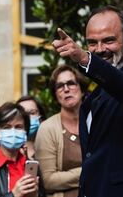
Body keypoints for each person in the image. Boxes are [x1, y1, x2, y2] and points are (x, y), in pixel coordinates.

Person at [51, 6, 123, 197]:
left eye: (109, 41)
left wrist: (86, 60)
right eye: (92, 43)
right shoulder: (95, 94)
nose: (100, 50)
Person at [34, 65, 85, 197]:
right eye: (60, 86)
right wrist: (91, 170)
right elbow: (48, 181)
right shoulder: (47, 128)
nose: (66, 89)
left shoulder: (96, 122)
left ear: (82, 89)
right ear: (55, 95)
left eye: (71, 83)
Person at [17, 95, 46, 160]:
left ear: (41, 117)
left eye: (32, 113)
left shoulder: (51, 146)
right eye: (23, 114)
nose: (28, 117)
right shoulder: (10, 150)